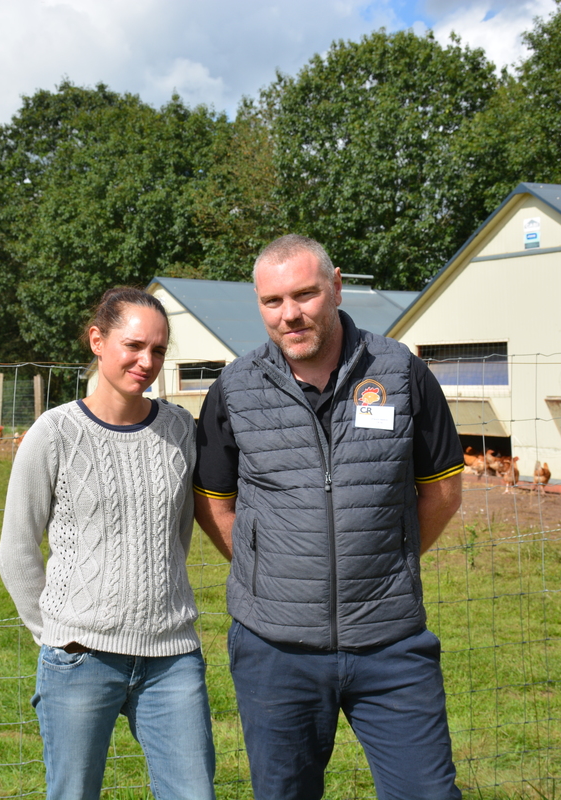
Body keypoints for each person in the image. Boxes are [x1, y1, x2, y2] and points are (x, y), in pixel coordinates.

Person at [193, 235, 465, 800]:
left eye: (305, 294)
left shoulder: (401, 375)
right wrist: (266, 566)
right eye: (273, 301)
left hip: (389, 643)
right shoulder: (235, 390)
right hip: (275, 649)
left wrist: (389, 562)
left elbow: (442, 493)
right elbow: (215, 502)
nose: (290, 314)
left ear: (336, 286)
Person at [0, 287, 216, 800]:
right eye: (134, 346)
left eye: (159, 351)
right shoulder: (53, 433)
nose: (147, 362)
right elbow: (16, 551)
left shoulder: (180, 428)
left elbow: (175, 534)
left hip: (171, 657)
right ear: (97, 340)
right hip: (81, 658)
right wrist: (58, 631)